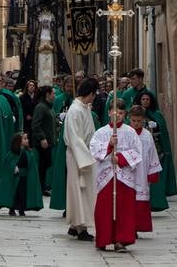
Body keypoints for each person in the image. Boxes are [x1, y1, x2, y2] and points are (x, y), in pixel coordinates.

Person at [89, 98, 142, 252]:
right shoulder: (101, 132)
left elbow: (137, 152)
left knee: (124, 209)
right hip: (106, 176)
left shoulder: (130, 132)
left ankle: (121, 240)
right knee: (104, 209)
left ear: (124, 114)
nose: (117, 115)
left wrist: (121, 159)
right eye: (114, 112)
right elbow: (94, 150)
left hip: (124, 177)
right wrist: (109, 146)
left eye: (120, 112)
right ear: (108, 113)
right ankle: (103, 238)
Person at [63, 78, 98, 241]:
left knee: (83, 191)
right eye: (94, 94)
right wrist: (86, 159)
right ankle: (80, 227)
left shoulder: (83, 108)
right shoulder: (75, 110)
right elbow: (75, 138)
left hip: (84, 153)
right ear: (90, 93)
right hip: (79, 156)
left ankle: (75, 225)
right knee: (79, 190)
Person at [135, 90, 177, 210]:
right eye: (143, 99)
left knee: (153, 176)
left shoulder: (156, 114)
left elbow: (161, 130)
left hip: (155, 148)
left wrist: (156, 126)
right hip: (138, 150)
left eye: (147, 99)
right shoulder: (135, 113)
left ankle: (156, 201)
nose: (145, 101)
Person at [129, 104, 162, 232]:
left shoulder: (147, 135)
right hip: (129, 170)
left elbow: (152, 153)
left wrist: (152, 172)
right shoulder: (126, 133)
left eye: (139, 121)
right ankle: (129, 226)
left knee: (141, 198)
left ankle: (138, 226)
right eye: (133, 121)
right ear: (129, 119)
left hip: (142, 171)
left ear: (143, 120)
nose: (136, 124)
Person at [0, 131, 43, 217]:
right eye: (25, 138)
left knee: (23, 194)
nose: (27, 140)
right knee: (14, 193)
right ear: (18, 141)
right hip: (15, 178)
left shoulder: (30, 153)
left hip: (24, 177)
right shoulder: (12, 154)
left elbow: (31, 167)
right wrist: (13, 167)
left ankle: (22, 209)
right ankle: (12, 209)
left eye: (27, 138)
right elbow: (8, 165)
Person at [32, 85, 57, 195]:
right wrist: (42, 138)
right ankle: (41, 187)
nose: (54, 95)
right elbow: (36, 125)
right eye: (53, 93)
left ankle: (43, 186)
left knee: (46, 164)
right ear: (47, 94)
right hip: (43, 143)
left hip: (49, 142)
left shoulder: (48, 107)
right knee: (43, 165)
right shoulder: (41, 107)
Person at [20, 80, 38, 145]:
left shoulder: (37, 97)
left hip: (35, 120)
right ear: (27, 87)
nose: (32, 87)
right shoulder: (22, 97)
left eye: (33, 85)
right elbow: (21, 109)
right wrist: (25, 115)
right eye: (30, 85)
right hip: (26, 121)